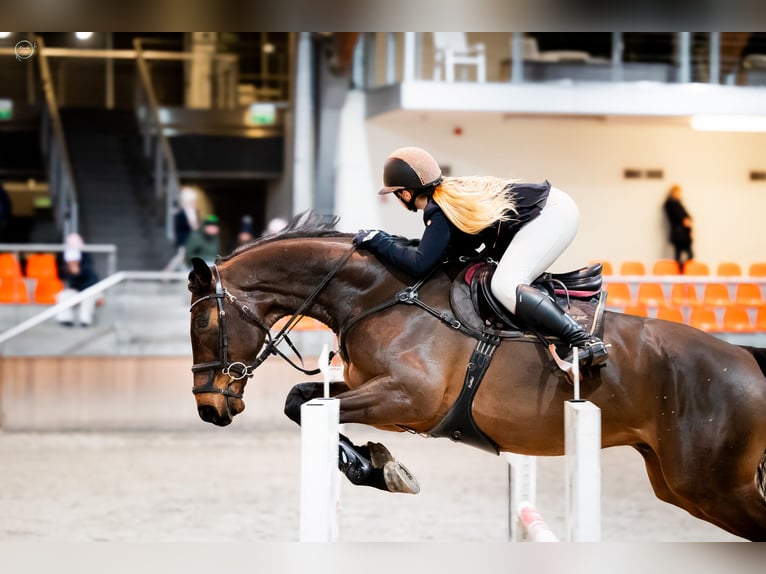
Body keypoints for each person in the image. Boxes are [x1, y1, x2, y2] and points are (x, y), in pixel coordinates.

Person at [352, 146, 608, 368]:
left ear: (405, 194)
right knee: (502, 279)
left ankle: (584, 341)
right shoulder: (445, 199)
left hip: (552, 214)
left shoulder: (439, 209)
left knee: (504, 285)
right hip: (552, 210)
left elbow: (420, 265)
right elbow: (438, 254)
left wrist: (379, 240)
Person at [55, 233, 100, 327]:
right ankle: (65, 320)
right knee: (63, 295)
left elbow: (93, 282)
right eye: (70, 261)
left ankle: (85, 322)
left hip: (91, 291)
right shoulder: (68, 269)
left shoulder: (87, 267)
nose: (72, 262)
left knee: (88, 296)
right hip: (78, 292)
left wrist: (79, 274)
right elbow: (69, 282)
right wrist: (73, 274)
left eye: (74, 260)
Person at [164, 186, 199, 271]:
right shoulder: (181, 213)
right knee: (180, 257)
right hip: (184, 240)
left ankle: (182, 275)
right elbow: (187, 226)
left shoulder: (192, 212)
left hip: (190, 240)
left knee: (182, 259)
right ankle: (167, 271)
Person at [663, 184, 693, 271]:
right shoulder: (670, 204)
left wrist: (689, 227)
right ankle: (680, 273)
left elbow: (687, 217)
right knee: (679, 256)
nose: (679, 194)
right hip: (679, 235)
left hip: (685, 234)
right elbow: (681, 218)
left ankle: (684, 271)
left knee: (689, 255)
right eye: (678, 192)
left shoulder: (679, 203)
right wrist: (685, 221)